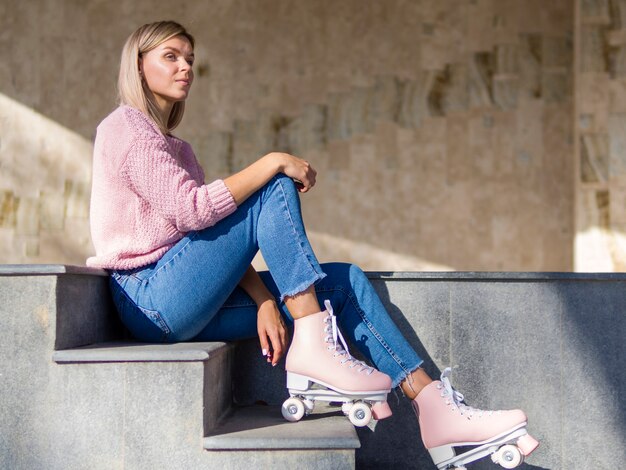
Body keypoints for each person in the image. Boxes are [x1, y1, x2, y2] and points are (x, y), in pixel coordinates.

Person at [87, 20, 538, 469]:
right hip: (148, 298)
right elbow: (194, 212)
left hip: (183, 293)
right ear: (139, 65)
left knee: (344, 282)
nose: (185, 67)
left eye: (190, 59)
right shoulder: (125, 127)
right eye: (171, 57)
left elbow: (204, 242)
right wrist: (272, 161)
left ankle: (435, 408)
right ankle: (314, 347)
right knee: (273, 182)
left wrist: (264, 300)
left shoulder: (177, 149)